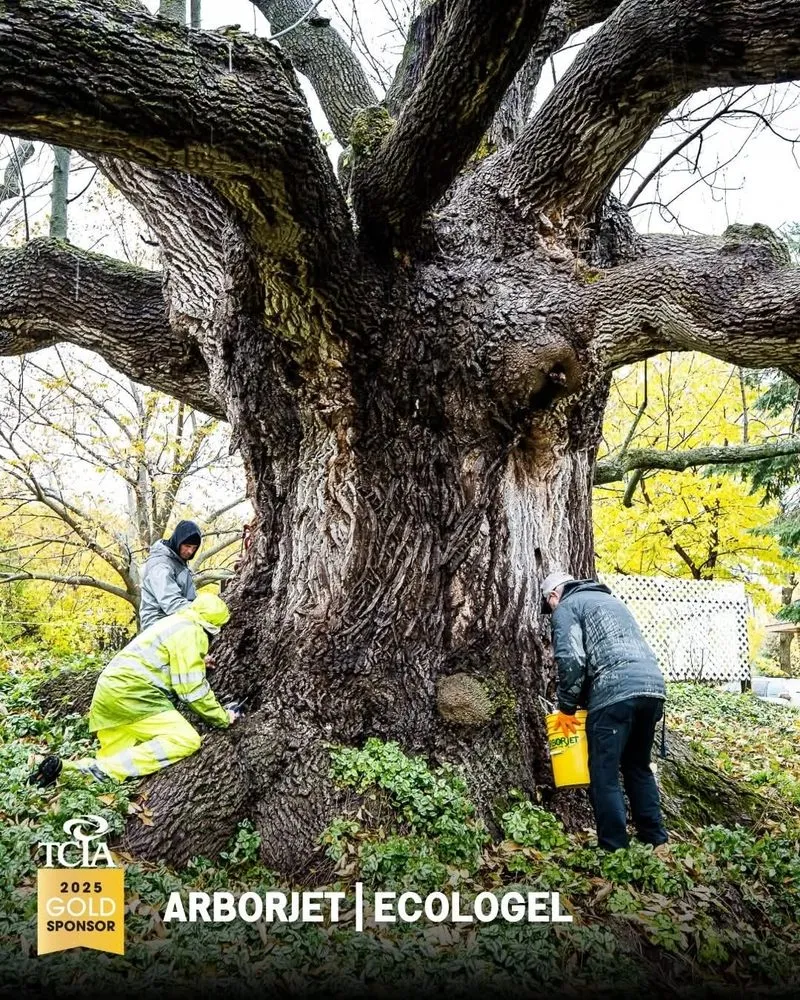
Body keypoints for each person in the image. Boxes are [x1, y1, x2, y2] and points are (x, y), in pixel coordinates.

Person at [29, 592, 238, 788]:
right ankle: (97, 771)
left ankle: (62, 771)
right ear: (213, 627)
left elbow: (160, 661)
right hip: (135, 696)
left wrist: (197, 662)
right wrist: (223, 717)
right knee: (186, 740)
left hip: (109, 694)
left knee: (112, 765)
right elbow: (191, 690)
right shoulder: (193, 632)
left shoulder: (175, 622)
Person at [541, 571, 668, 852]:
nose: (551, 611)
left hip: (613, 693)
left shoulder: (566, 607)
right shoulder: (611, 601)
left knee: (604, 774)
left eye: (548, 605)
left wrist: (566, 709)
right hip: (652, 688)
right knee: (638, 767)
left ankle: (614, 849)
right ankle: (655, 839)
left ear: (553, 596)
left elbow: (572, 658)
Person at [139, 520, 203, 631]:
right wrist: (203, 613)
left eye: (194, 548)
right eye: (187, 546)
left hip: (174, 622)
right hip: (158, 627)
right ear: (178, 541)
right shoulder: (161, 565)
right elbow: (171, 603)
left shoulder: (177, 562)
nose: (190, 551)